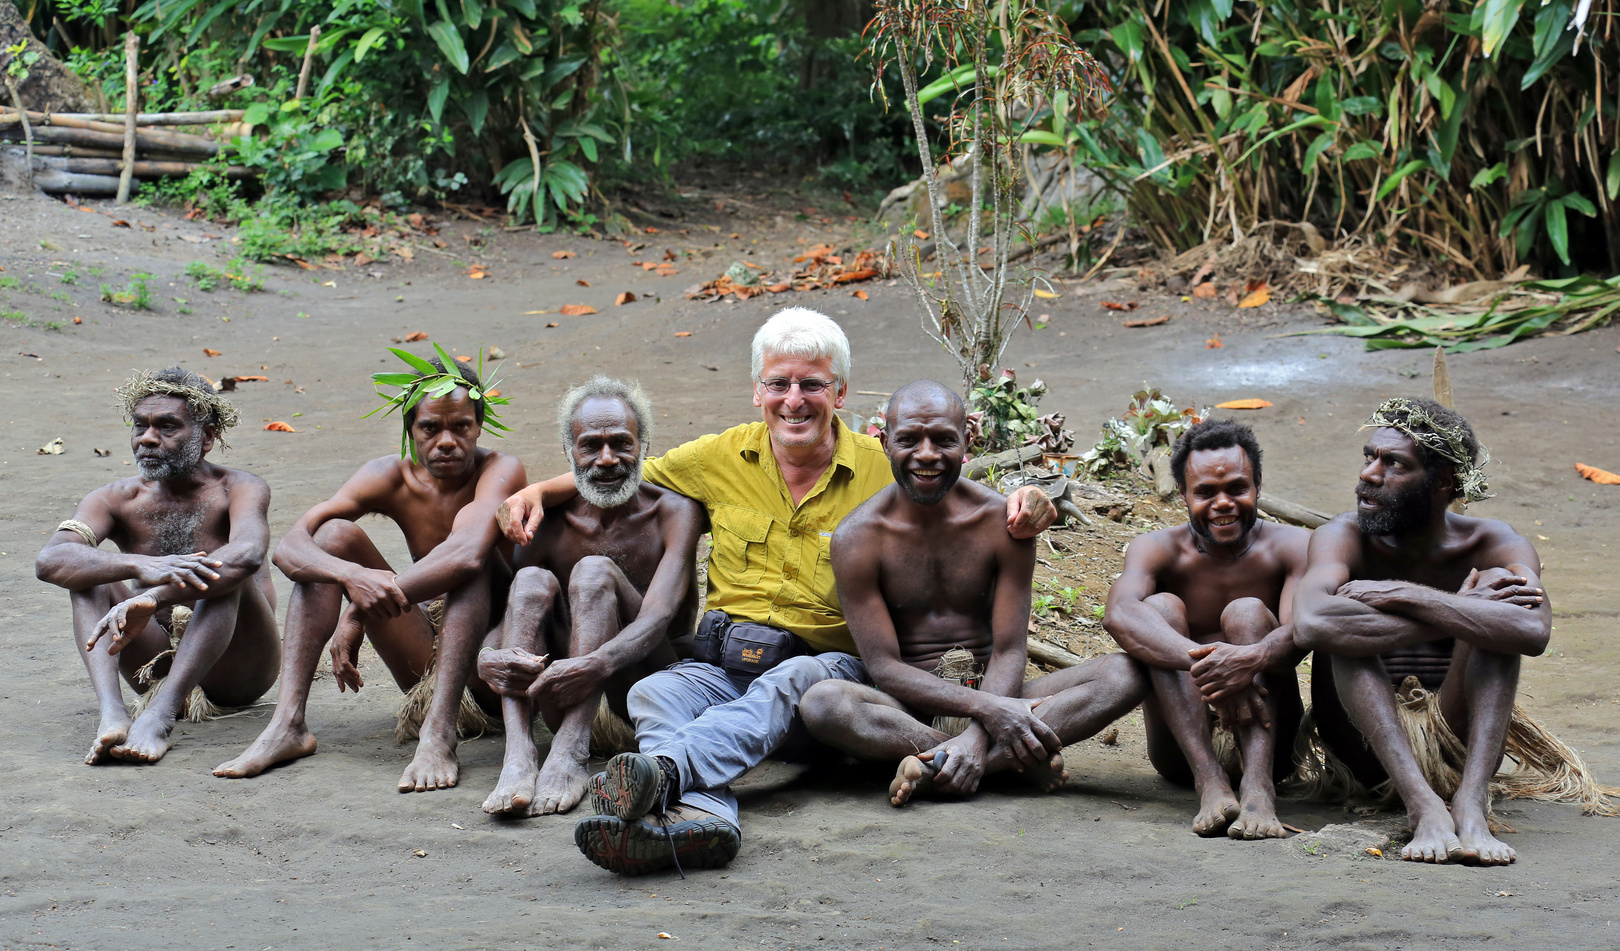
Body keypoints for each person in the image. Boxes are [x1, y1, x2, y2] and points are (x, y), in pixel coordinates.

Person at [497, 307, 1057, 876]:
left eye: (812, 384)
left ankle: (661, 773)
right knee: (654, 695)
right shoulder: (717, 457)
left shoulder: (883, 463)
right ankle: (702, 818)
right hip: (720, 663)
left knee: (790, 682)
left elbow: (948, 475)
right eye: (778, 384)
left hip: (825, 671)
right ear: (757, 392)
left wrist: (1028, 496)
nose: (794, 399)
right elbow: (626, 465)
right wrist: (540, 489)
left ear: (839, 393)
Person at [800, 380, 1146, 806]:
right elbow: (885, 668)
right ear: (885, 442)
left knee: (1123, 673)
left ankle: (942, 764)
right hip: (912, 710)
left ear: (968, 438)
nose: (926, 455)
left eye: (944, 439)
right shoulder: (857, 537)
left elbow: (1009, 650)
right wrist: (992, 715)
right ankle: (1008, 761)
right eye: (908, 439)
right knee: (824, 703)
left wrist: (981, 729)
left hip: (1003, 691)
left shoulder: (1002, 523)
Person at [214, 353, 528, 791]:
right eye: (430, 427)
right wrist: (349, 577)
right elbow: (291, 547)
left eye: (461, 426)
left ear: (479, 426)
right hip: (428, 662)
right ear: (409, 428)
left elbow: (466, 556)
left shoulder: (501, 469)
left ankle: (439, 735)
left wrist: (357, 613)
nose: (447, 441)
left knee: (468, 562)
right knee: (334, 538)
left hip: (495, 667)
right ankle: (287, 724)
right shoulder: (387, 475)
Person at [1293, 398, 1550, 866]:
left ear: (1443, 482)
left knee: (1499, 601)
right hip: (1364, 749)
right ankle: (1423, 805)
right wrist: (1463, 613)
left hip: (1453, 743)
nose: (1370, 474)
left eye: (1394, 464)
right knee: (1342, 625)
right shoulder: (1342, 535)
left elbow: (1531, 631)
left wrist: (1406, 595)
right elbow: (1311, 623)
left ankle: (1471, 802)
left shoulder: (1494, 542)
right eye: (1370, 457)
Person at [476, 377, 703, 817]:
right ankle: (518, 752)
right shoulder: (548, 522)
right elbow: (519, 616)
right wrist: (487, 657)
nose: (606, 459)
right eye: (590, 446)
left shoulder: (675, 511)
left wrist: (593, 664)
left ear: (644, 445)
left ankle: (570, 751)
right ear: (569, 452)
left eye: (621, 444)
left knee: (594, 572)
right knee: (529, 583)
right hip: (565, 687)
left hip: (649, 680)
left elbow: (657, 618)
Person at [35, 367, 280, 764]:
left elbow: (249, 553)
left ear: (207, 437)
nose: (147, 438)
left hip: (239, 668)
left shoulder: (240, 487)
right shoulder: (115, 498)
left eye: (167, 427)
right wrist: (138, 566)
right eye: (140, 426)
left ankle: (161, 716)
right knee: (88, 575)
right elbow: (50, 560)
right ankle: (113, 713)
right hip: (152, 664)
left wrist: (156, 593)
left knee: (225, 573)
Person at [1103, 420, 1311, 838]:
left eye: (1237, 488)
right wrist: (1217, 669)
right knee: (1158, 607)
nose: (1223, 503)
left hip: (1274, 743)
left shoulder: (1293, 546)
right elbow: (1119, 614)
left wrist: (1247, 660)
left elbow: (1301, 632)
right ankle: (1210, 781)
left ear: (1257, 486)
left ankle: (1258, 787)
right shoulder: (1156, 548)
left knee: (1248, 613)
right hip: (1182, 750)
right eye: (1205, 493)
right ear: (1183, 494)